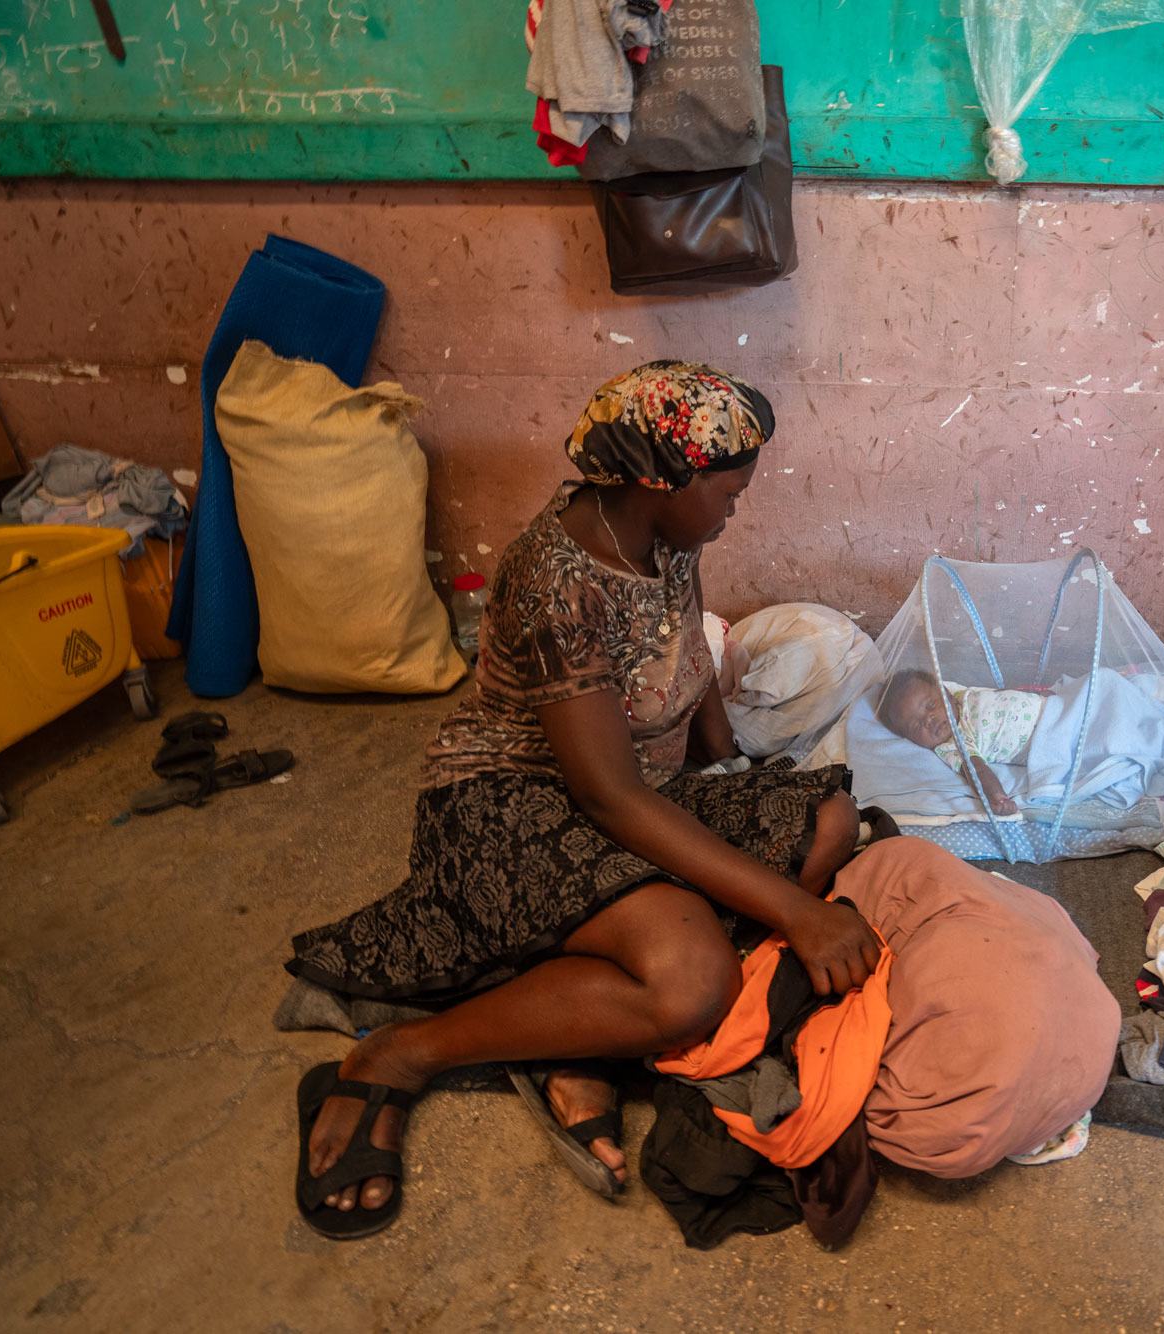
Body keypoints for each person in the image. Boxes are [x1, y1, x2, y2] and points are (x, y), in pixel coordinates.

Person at [286, 362, 883, 1240]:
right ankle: (404, 1054)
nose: (736, 506)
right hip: (513, 799)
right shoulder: (555, 578)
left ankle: (570, 1019)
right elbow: (606, 797)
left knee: (826, 817)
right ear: (659, 479)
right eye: (729, 488)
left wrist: (730, 775)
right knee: (692, 984)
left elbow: (690, 664)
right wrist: (793, 910)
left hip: (642, 788)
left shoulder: (669, 540)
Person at [877, 668, 1042, 816]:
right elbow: (976, 770)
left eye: (930, 705)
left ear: (946, 694)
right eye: (916, 724)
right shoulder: (953, 745)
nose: (929, 719)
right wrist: (997, 797)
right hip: (1045, 737)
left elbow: (999, 695)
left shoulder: (961, 696)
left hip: (1048, 705)